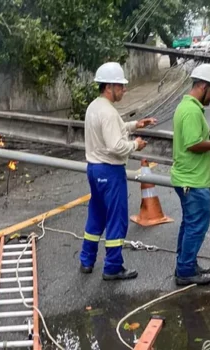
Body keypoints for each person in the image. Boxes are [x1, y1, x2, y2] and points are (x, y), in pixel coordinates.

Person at [79, 62, 157, 281]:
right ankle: (112, 266)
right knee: (116, 219)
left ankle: (87, 260)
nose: (124, 90)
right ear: (110, 87)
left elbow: (113, 129)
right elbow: (115, 145)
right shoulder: (109, 113)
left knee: (96, 215)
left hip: (94, 169)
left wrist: (136, 125)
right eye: (121, 86)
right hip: (110, 171)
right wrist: (136, 145)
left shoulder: (94, 107)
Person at [170, 64, 210, 286]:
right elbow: (193, 144)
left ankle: (186, 263)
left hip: (190, 179)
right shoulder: (190, 110)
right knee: (196, 225)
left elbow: (196, 139)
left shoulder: (190, 108)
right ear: (203, 86)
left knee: (189, 224)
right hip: (192, 181)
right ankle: (186, 271)